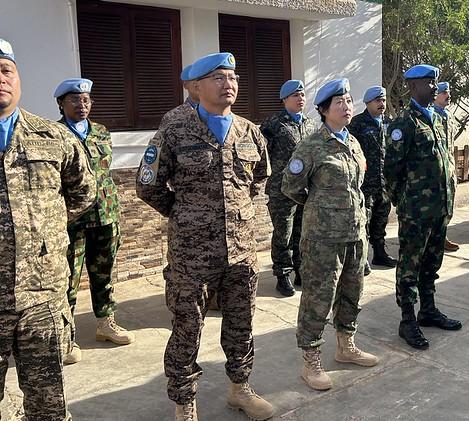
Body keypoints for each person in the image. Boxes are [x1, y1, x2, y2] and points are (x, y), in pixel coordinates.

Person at [136, 52, 274, 421]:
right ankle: (184, 402)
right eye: (218, 78)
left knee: (241, 322)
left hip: (242, 250)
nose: (228, 84)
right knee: (187, 327)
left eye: (232, 77)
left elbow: (259, 179)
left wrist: (235, 214)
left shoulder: (249, 131)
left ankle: (240, 388)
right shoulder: (174, 127)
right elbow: (147, 185)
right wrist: (185, 215)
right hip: (191, 255)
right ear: (196, 87)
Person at [0, 38, 96, 421]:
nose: (0, 79)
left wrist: (41, 233)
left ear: (19, 78)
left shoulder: (53, 137)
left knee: (47, 403)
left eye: (5, 70)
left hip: (41, 295)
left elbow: (82, 192)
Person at [282, 78, 378, 391]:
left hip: (354, 234)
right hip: (323, 239)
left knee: (352, 292)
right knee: (318, 298)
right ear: (324, 110)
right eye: (339, 102)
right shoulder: (311, 145)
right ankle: (311, 360)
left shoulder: (353, 142)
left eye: (349, 101)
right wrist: (321, 209)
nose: (347, 107)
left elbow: (357, 187)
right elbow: (291, 187)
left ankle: (345, 345)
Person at [53, 78, 134, 367]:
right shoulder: (53, 134)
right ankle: (64, 335)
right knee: (67, 279)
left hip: (106, 213)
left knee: (105, 272)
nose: (82, 105)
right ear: (61, 104)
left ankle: (105, 324)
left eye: (86, 100)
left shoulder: (101, 132)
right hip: (70, 219)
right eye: (74, 100)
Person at [385, 64, 461, 351]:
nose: (434, 88)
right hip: (416, 211)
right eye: (429, 83)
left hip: (440, 209)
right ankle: (407, 320)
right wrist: (403, 202)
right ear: (412, 87)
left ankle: (427, 310)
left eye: (435, 83)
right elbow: (391, 170)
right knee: (410, 267)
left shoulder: (438, 119)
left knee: (432, 263)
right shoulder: (404, 123)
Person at [260, 79, 312, 296]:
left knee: (302, 232)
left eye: (302, 95)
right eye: (295, 96)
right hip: (281, 190)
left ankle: (301, 270)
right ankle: (282, 274)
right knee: (284, 233)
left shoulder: (309, 124)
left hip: (304, 190)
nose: (301, 99)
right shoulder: (273, 125)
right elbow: (260, 156)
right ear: (284, 100)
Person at [349, 86, 397, 268]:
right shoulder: (357, 124)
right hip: (365, 184)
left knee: (381, 221)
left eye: (384, 100)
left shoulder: (389, 123)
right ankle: (362, 260)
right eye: (378, 101)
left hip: (384, 184)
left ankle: (380, 253)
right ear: (368, 103)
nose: (382, 104)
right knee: (364, 222)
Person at [433, 81, 461, 252]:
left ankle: (442, 236)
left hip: (449, 166)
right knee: (437, 205)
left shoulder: (448, 115)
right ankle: (435, 238)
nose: (447, 95)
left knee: (448, 204)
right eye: (443, 92)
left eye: (448, 92)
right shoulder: (431, 116)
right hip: (436, 169)